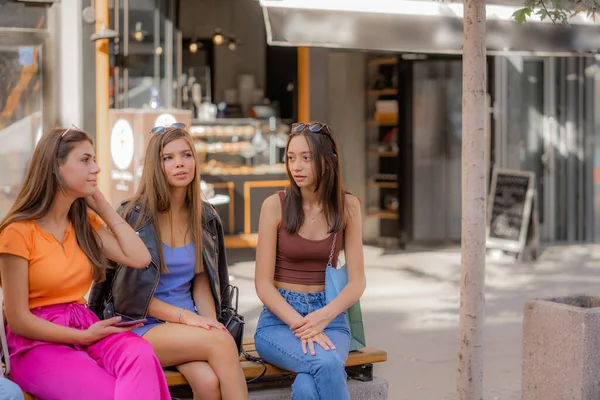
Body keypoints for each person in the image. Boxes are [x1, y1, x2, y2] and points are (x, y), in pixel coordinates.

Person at [0, 127, 171, 400]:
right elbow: (19, 320)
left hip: (85, 326)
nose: (97, 168)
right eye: (85, 160)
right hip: (37, 344)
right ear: (56, 167)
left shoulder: (84, 224)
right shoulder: (17, 232)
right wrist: (81, 337)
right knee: (110, 393)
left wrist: (103, 207)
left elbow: (140, 258)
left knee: (140, 353)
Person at [89, 124, 248, 400]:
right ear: (156, 164)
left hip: (188, 326)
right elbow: (129, 294)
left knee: (209, 383)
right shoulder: (134, 215)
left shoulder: (205, 216)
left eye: (186, 155)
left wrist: (208, 323)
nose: (180, 164)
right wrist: (192, 322)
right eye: (169, 157)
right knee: (222, 343)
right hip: (139, 323)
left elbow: (201, 282)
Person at [254, 122, 366, 400]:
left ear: (327, 161)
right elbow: (263, 285)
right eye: (291, 158)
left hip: (330, 318)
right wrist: (302, 326)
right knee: (326, 363)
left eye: (306, 158)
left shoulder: (348, 206)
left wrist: (321, 317)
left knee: (307, 385)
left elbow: (357, 282)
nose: (296, 166)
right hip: (279, 321)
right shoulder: (274, 205)